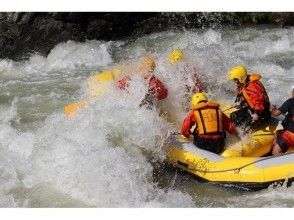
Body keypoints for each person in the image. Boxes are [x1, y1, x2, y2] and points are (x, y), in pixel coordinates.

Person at [228, 65, 271, 129]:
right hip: (253, 110)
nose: (235, 82)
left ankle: (247, 131)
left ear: (241, 78)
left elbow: (258, 101)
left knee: (234, 117)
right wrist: (239, 105)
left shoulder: (252, 86)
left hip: (261, 114)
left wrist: (256, 114)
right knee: (235, 115)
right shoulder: (245, 83)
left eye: (236, 80)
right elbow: (248, 99)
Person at [270, 86, 294, 156]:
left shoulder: (290, 101)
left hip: (291, 134)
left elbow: (276, 114)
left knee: (275, 152)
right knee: (277, 133)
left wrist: (272, 109)